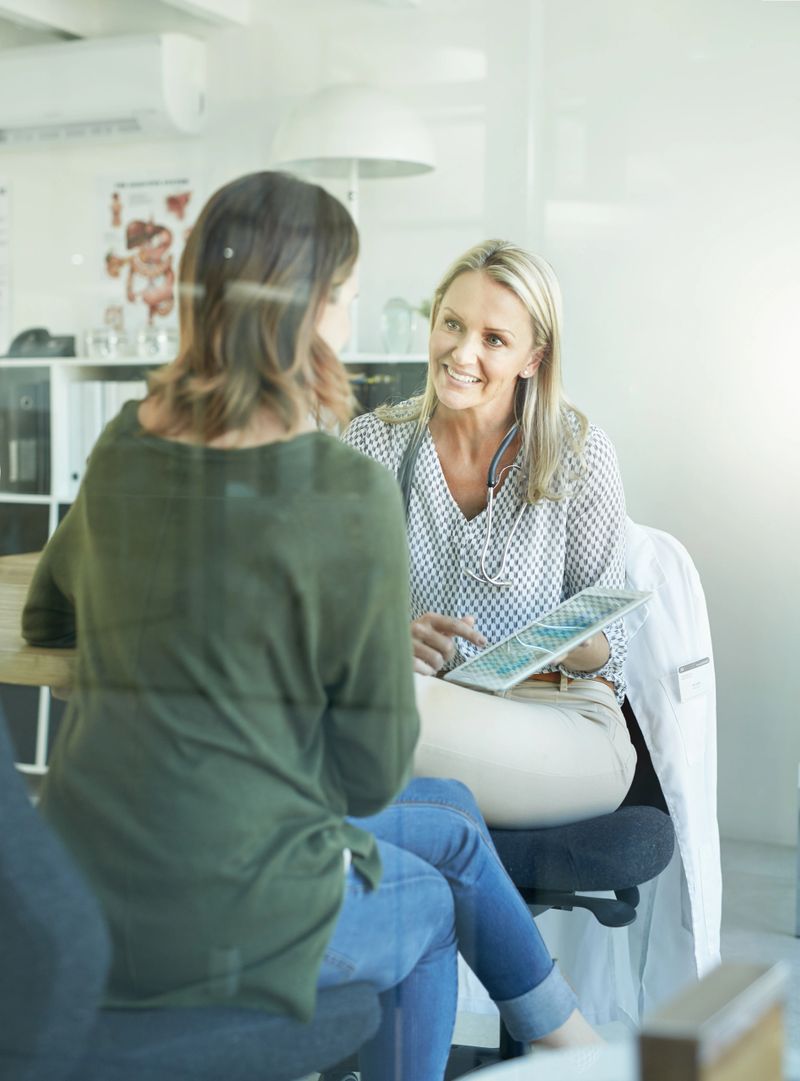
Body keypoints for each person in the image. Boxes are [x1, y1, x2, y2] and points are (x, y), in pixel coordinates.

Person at [22, 174, 598, 1081]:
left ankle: (579, 1049)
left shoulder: (123, 442)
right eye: (350, 295)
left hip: (80, 874)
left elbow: (47, 616)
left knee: (447, 815)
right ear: (318, 308)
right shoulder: (346, 487)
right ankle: (585, 1055)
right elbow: (367, 767)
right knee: (432, 912)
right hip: (212, 917)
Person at [343, 239, 638, 829]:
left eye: (494, 340)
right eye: (451, 323)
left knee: (357, 719)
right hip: (430, 705)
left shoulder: (578, 453)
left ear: (533, 358)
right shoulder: (372, 445)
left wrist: (578, 642)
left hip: (564, 717)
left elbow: (616, 655)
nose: (461, 352)